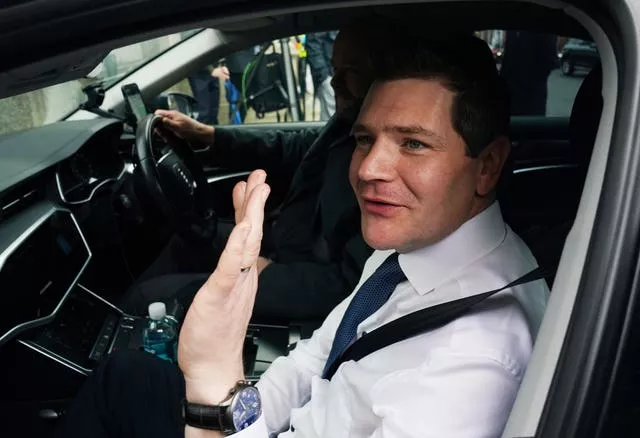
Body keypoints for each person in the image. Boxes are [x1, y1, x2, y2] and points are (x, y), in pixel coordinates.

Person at [56, 33, 549, 438]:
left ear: (487, 167)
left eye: (414, 144)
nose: (369, 169)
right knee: (124, 377)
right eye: (364, 140)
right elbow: (313, 359)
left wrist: (212, 388)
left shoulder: (467, 369)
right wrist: (231, 415)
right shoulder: (410, 247)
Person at [123, 23, 379, 322]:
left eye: (351, 73)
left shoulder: (382, 164)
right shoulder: (346, 123)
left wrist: (267, 272)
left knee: (149, 299)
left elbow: (347, 287)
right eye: (334, 70)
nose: (335, 83)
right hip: (284, 242)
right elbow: (293, 145)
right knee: (189, 239)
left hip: (304, 278)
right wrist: (207, 134)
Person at [305, 31, 338, 120]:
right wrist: (324, 77)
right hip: (329, 76)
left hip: (338, 75)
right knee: (331, 118)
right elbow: (313, 45)